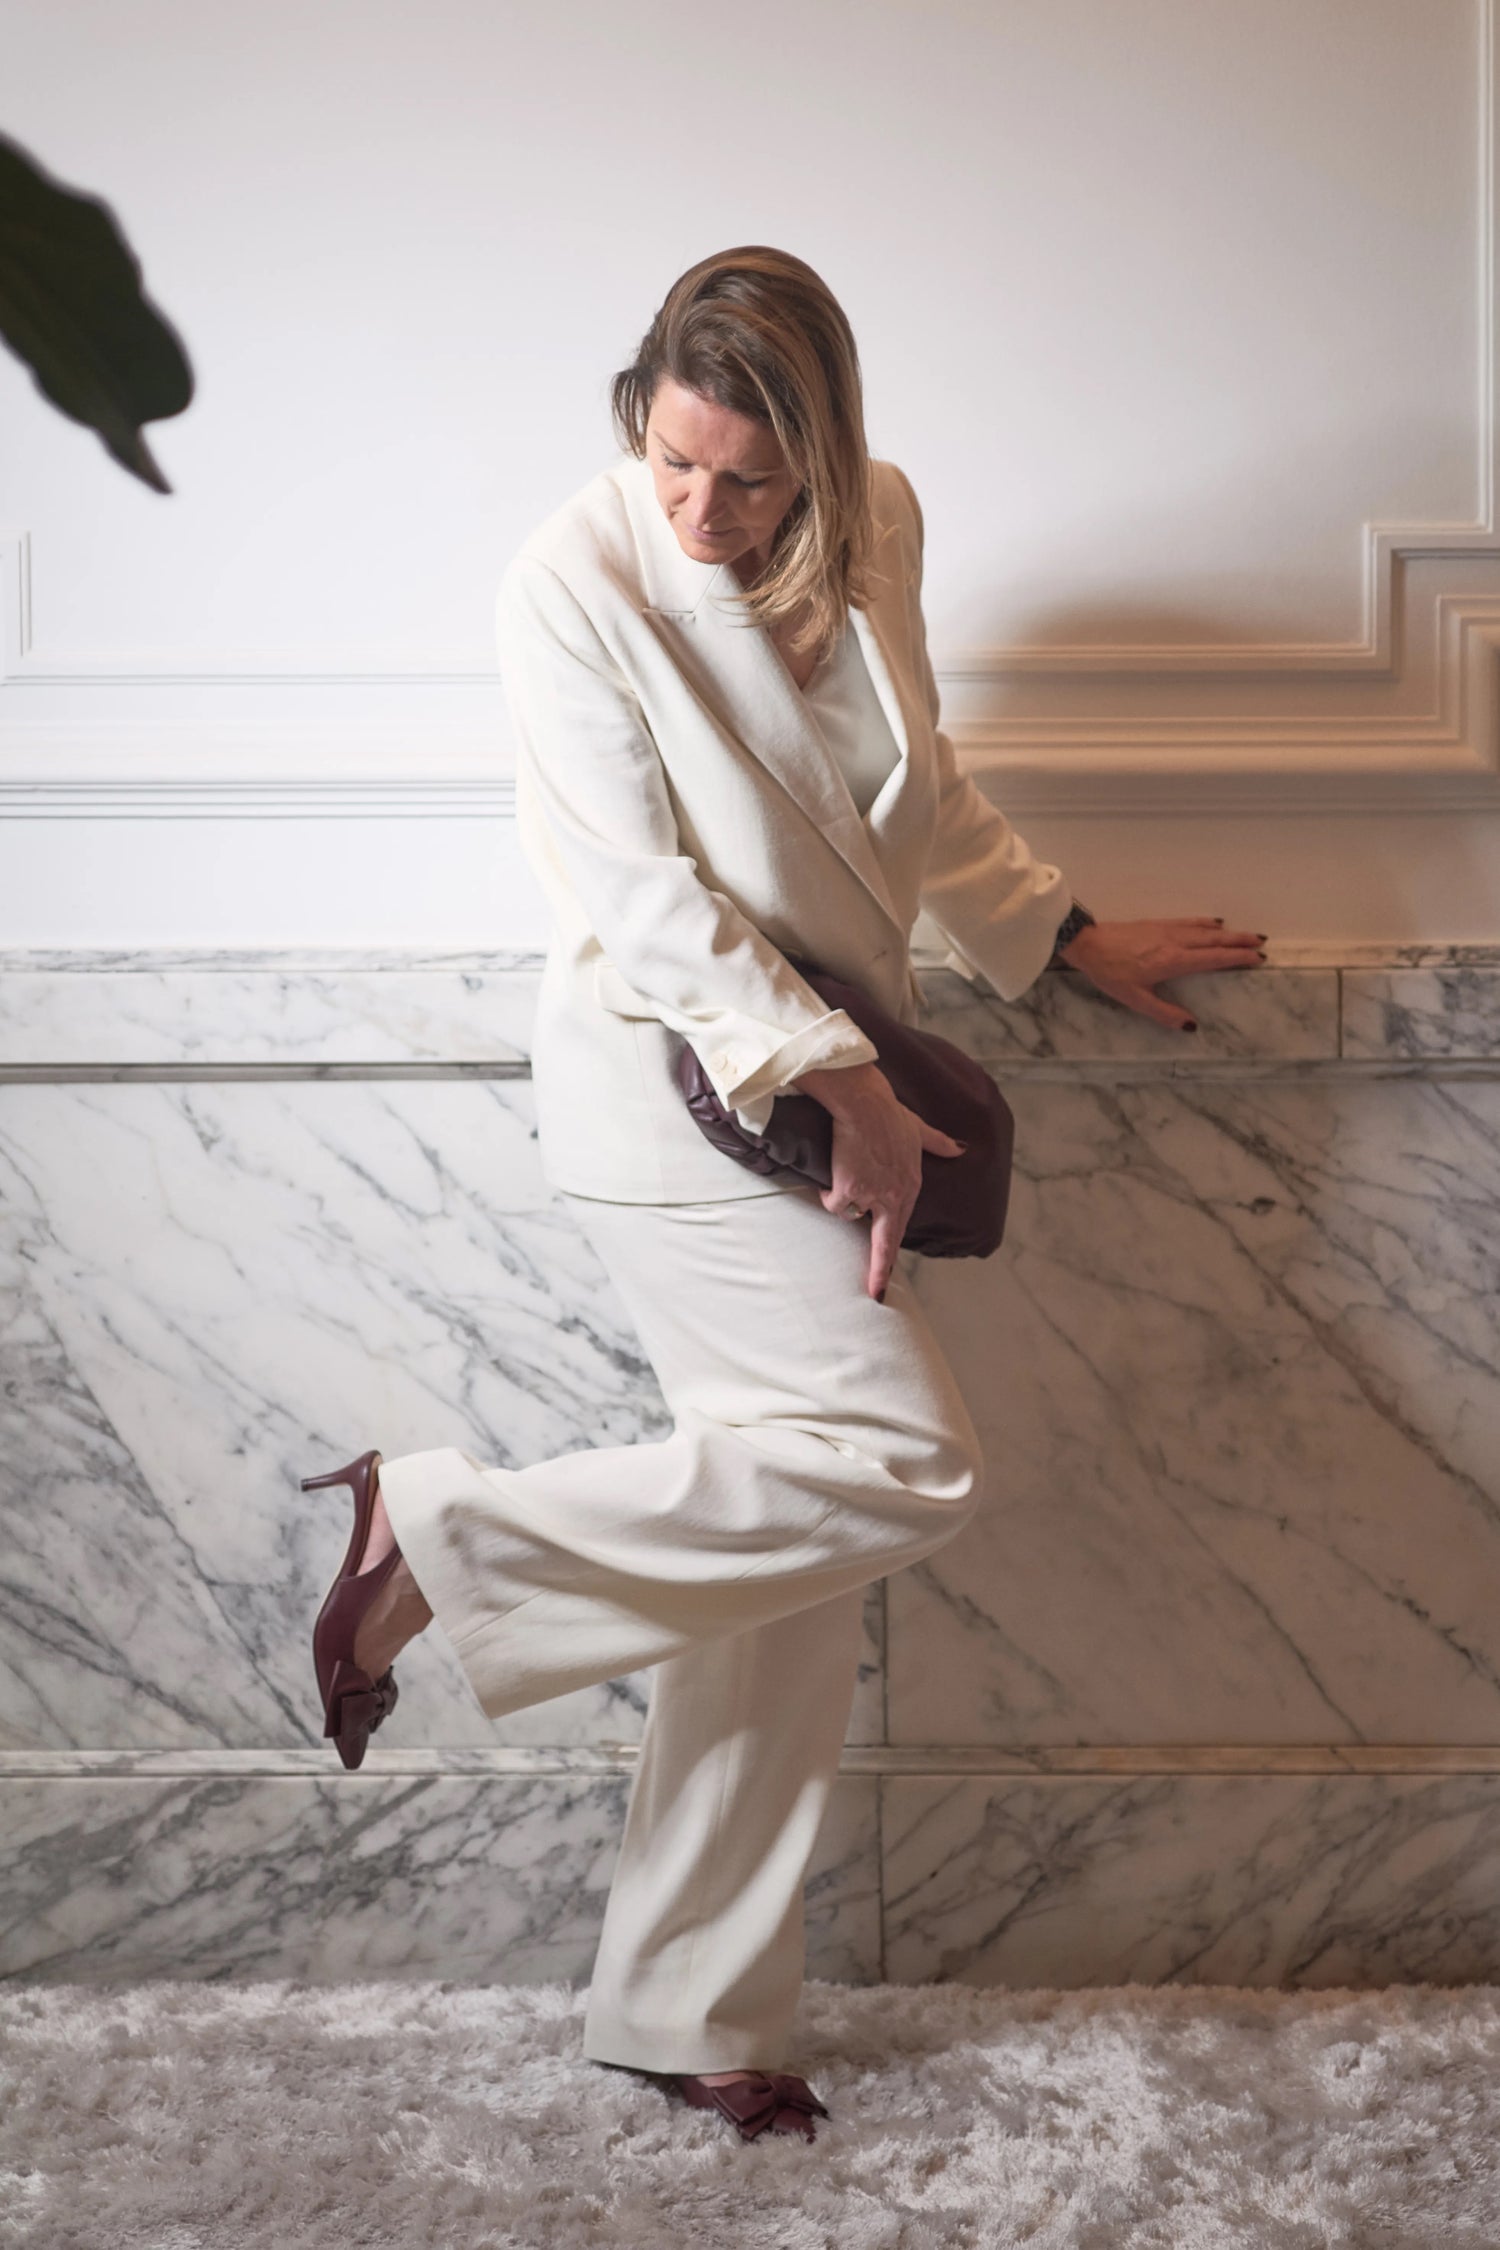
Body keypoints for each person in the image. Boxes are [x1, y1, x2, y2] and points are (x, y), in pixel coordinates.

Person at [304, 245, 1266, 2146]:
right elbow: (647, 902)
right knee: (898, 1458)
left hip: (835, 1087)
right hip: (675, 1082)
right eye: (673, 464)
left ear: (821, 455)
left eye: (747, 478)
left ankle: (686, 1999)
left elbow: (916, 792)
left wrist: (1057, 931)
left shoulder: (878, 522)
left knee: (793, 1558)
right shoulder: (569, 581)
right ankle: (427, 1537)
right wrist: (836, 1085)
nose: (704, 513)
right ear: (635, 429)